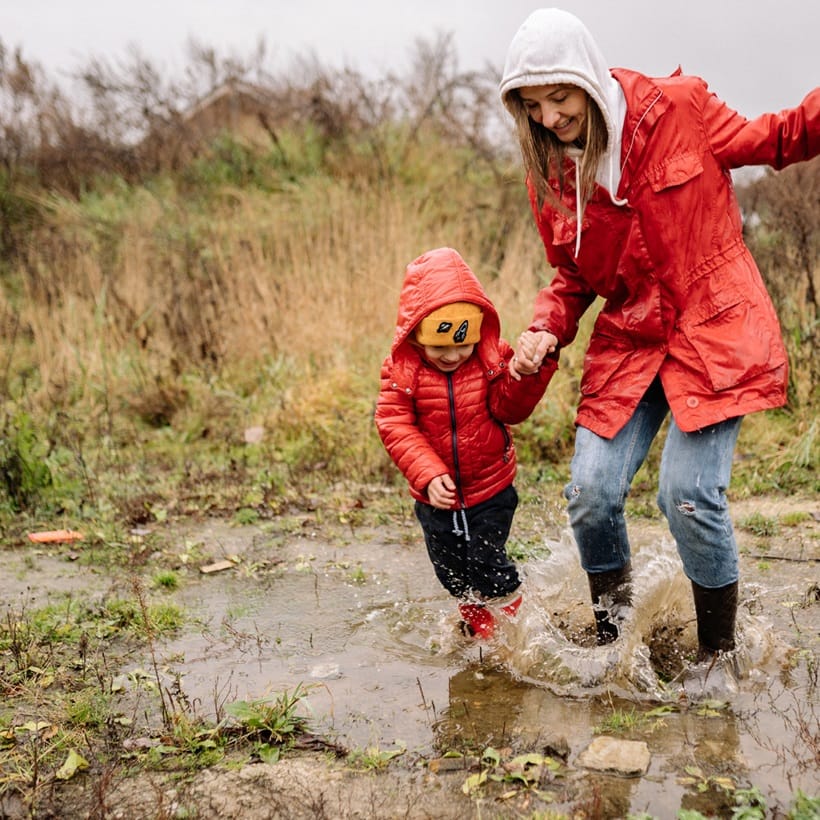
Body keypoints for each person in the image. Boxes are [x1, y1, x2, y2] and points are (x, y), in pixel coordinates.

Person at [499, 9, 819, 661]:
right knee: (590, 494)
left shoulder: (679, 108)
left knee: (689, 496)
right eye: (532, 107)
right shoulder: (554, 176)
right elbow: (570, 279)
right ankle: (612, 642)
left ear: (586, 77)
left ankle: (716, 656)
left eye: (559, 98)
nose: (550, 119)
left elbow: (778, 138)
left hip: (715, 328)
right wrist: (542, 331)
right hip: (632, 341)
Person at [375, 247, 555, 639]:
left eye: (462, 344)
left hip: (490, 487)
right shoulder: (402, 370)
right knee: (452, 573)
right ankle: (479, 627)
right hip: (435, 496)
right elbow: (393, 421)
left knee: (488, 563)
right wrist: (427, 473)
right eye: (440, 347)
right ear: (417, 334)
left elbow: (510, 409)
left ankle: (517, 630)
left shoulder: (492, 359)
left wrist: (525, 375)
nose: (453, 355)